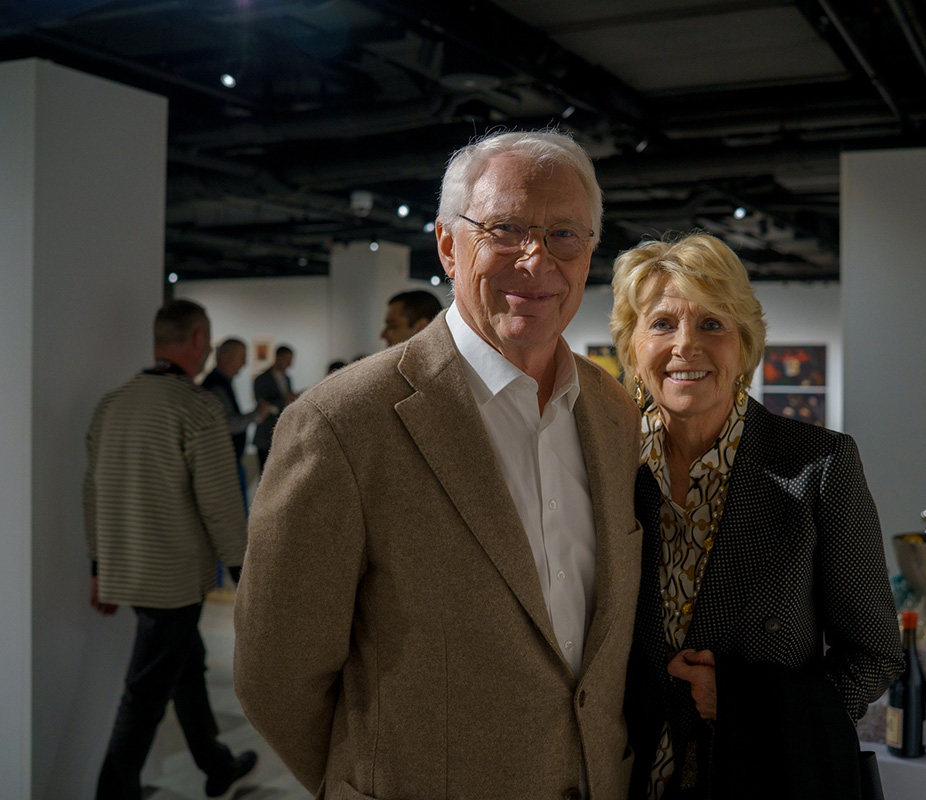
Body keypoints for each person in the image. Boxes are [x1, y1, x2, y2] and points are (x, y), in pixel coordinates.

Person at [233, 130, 643, 800]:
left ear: (590, 250)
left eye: (564, 234)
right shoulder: (342, 423)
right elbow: (275, 676)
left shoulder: (613, 413)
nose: (537, 259)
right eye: (506, 229)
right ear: (449, 246)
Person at [610, 233, 902, 799]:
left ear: (744, 346)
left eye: (712, 325)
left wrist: (753, 707)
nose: (685, 345)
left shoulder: (818, 465)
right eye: (662, 324)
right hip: (622, 773)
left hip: (761, 774)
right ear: (632, 348)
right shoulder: (609, 464)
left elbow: (875, 654)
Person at [84, 300, 256, 799]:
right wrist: (245, 573)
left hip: (128, 570)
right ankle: (113, 792)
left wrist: (99, 566)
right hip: (174, 577)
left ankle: (216, 765)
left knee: (185, 666)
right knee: (145, 693)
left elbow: (92, 491)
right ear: (198, 339)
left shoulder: (112, 403)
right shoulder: (196, 407)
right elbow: (220, 502)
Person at [201, 338, 271, 496]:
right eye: (242, 357)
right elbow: (227, 424)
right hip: (222, 466)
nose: (244, 363)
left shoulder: (222, 383)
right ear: (226, 357)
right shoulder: (216, 386)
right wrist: (256, 415)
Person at [251, 344, 297, 467]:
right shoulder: (261, 380)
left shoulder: (287, 378)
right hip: (265, 435)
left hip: (282, 434)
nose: (289, 364)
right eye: (287, 360)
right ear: (278, 358)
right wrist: (285, 399)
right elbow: (263, 405)